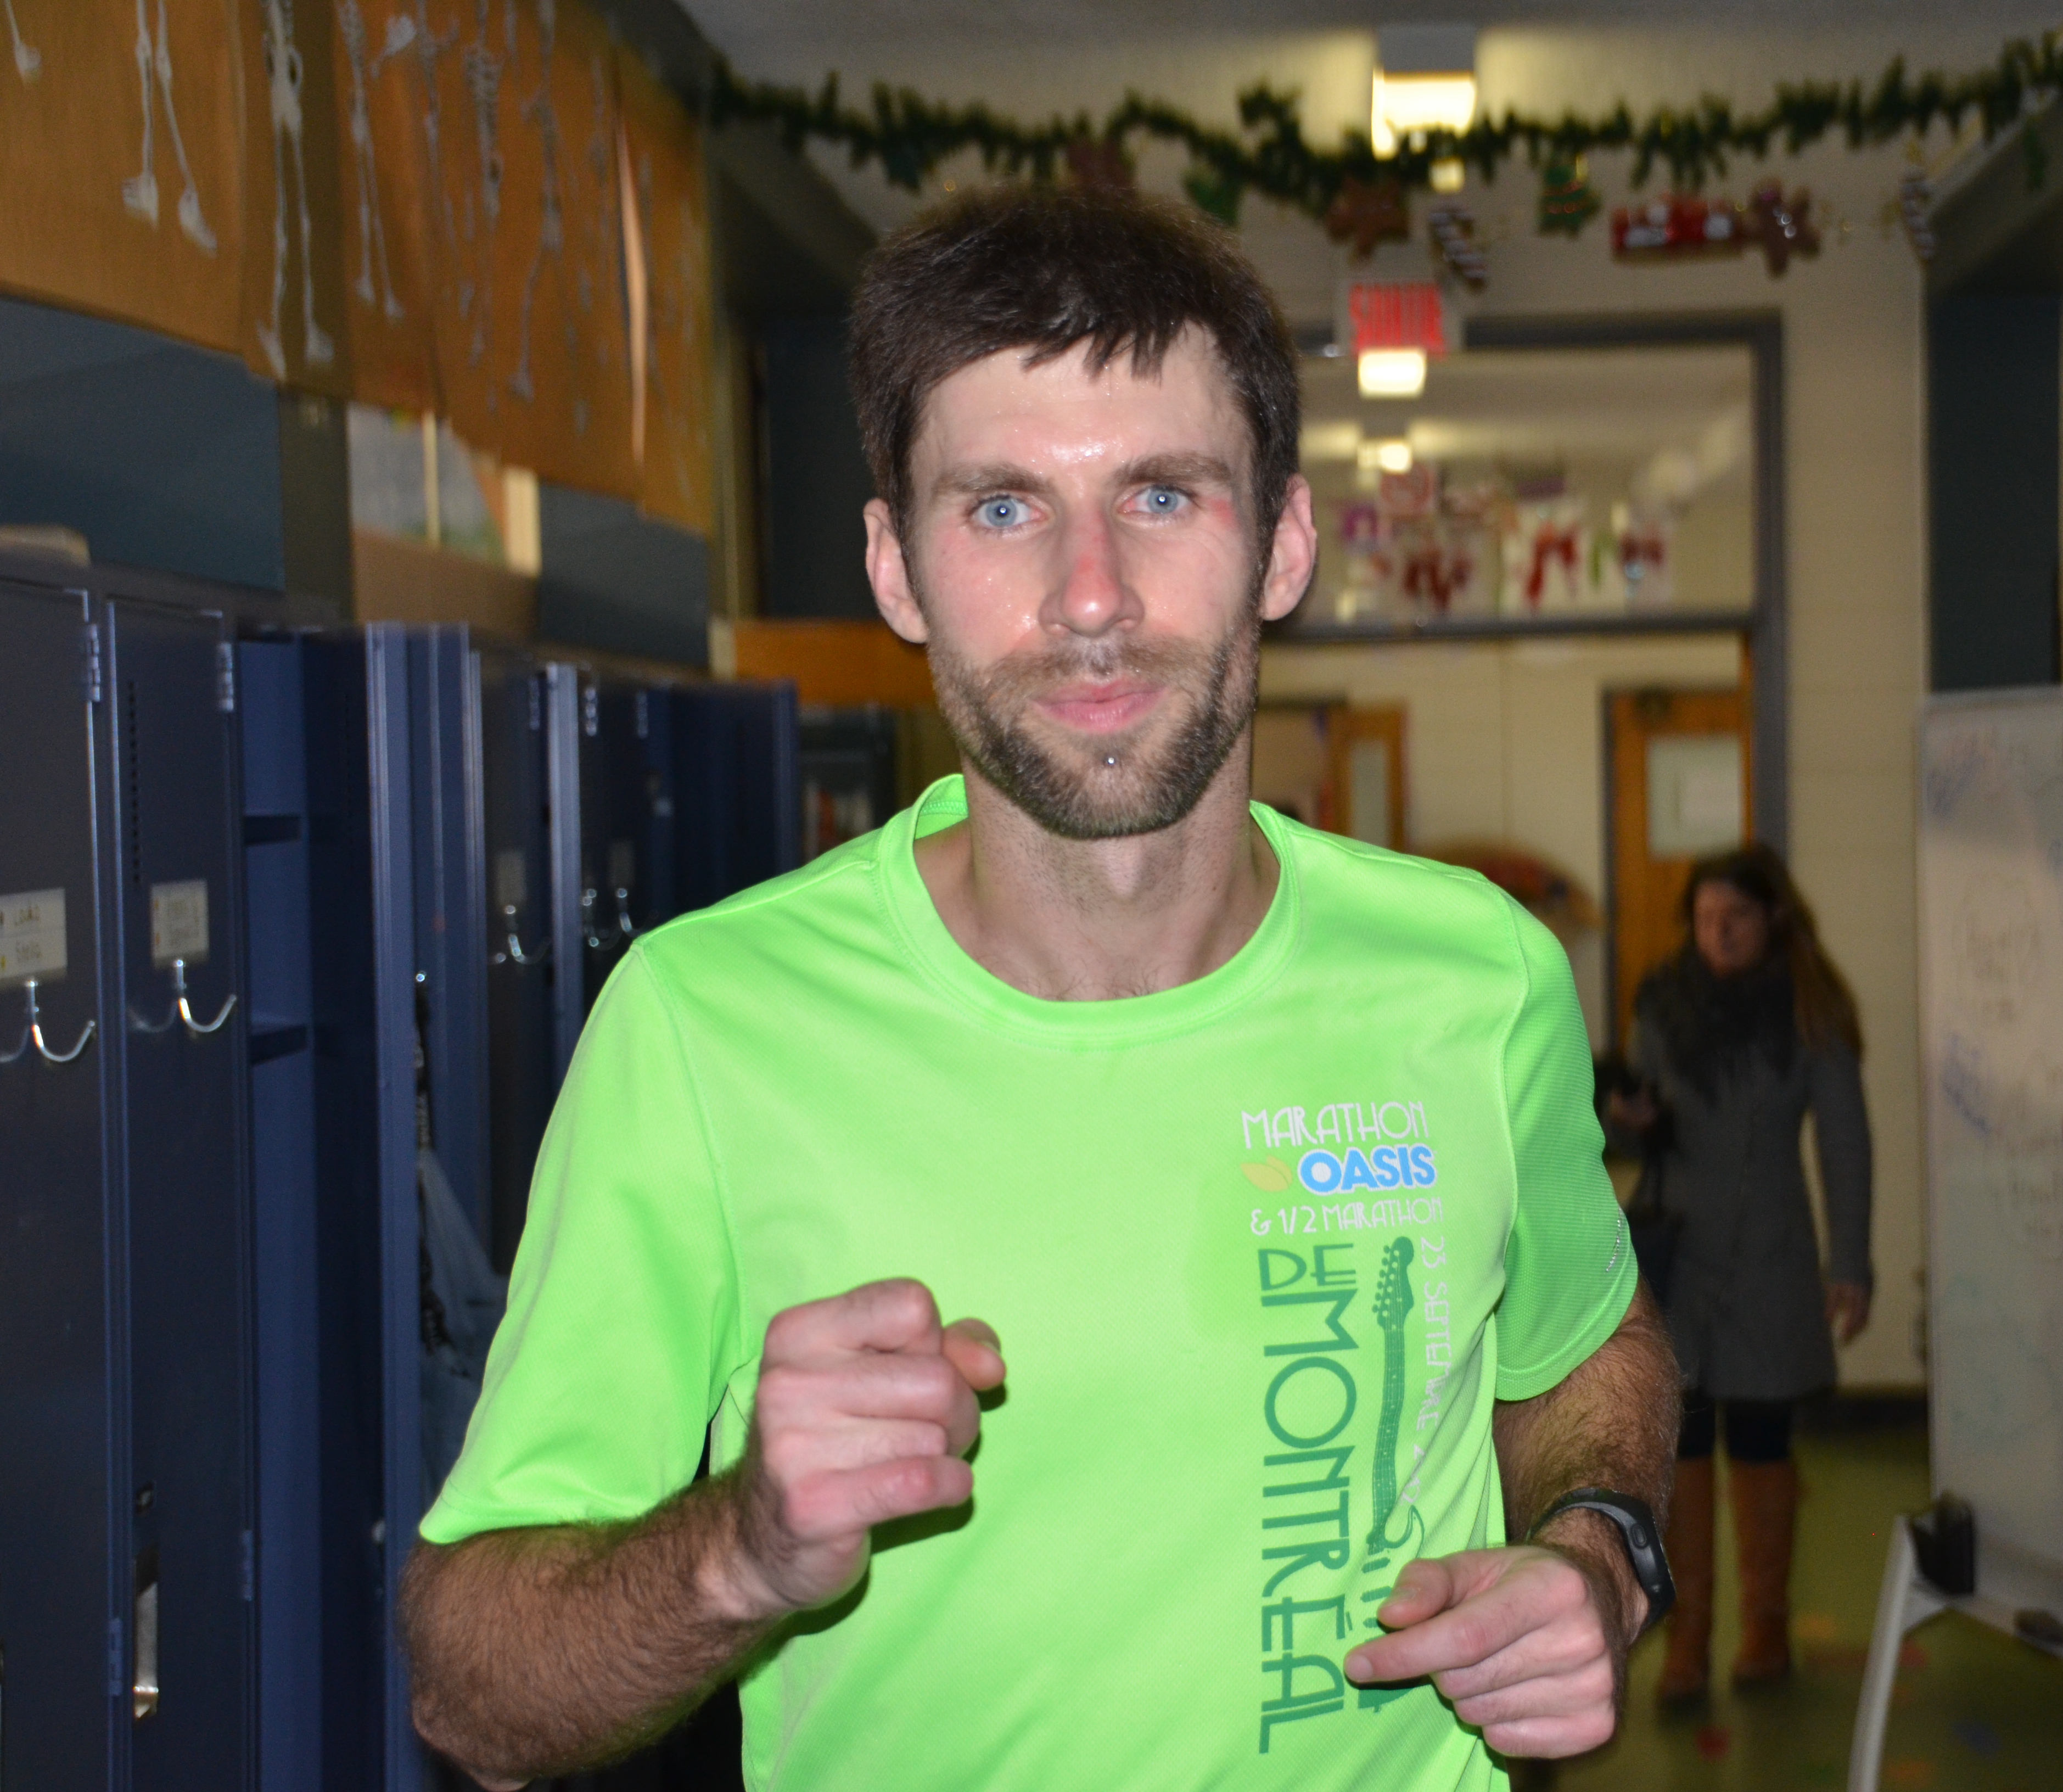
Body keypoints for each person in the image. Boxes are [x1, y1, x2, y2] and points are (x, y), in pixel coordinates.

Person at [396, 183, 1679, 1792]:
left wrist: (1598, 1548)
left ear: (1283, 538)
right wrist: (739, 1547)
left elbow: (1578, 1333)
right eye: (1002, 508)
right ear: (897, 567)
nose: (1089, 597)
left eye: (1160, 495)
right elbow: (472, 1695)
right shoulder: (707, 1029)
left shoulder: (1476, 977)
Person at [1605, 844, 1871, 1704]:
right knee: (1679, 1450)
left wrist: (1853, 1260)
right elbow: (1626, 1129)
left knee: (1761, 1442)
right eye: (1705, 917)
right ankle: (1688, 1640)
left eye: (1738, 918)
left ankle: (1764, 1627)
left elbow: (1843, 1141)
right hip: (1678, 1256)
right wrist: (1629, 1116)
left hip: (1769, 1258)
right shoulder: (1663, 999)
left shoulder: (1809, 1010)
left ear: (1775, 920)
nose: (1717, 933)